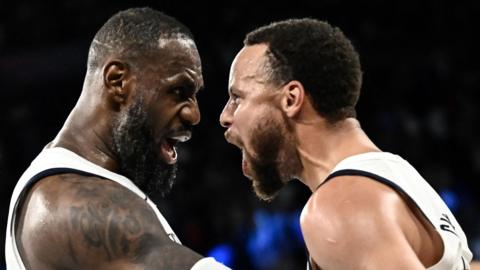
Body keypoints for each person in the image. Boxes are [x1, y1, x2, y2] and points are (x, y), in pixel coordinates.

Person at [219, 18, 477, 269]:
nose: (225, 116)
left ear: (291, 99)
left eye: (237, 98)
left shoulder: (340, 206)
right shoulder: (396, 175)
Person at [5, 7, 230, 270]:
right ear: (117, 81)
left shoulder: (94, 184)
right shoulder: (64, 202)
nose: (195, 115)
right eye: (179, 91)